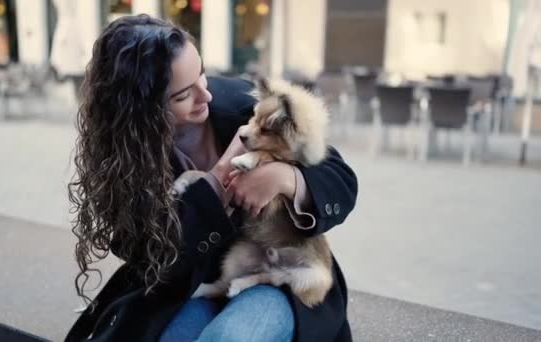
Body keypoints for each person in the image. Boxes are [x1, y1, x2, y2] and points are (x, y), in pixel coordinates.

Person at [66, 14, 357, 342]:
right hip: (192, 284)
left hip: (282, 280)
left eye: (202, 74)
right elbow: (154, 256)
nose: (205, 95)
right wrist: (218, 179)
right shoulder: (122, 163)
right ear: (142, 112)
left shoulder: (239, 102)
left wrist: (284, 178)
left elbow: (341, 180)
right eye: (182, 96)